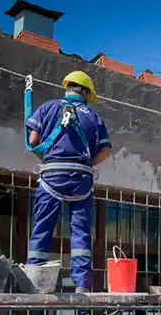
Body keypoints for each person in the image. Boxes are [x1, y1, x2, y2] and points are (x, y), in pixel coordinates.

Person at [25, 71, 112, 293]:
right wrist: (88, 163)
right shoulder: (93, 117)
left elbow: (33, 140)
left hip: (52, 174)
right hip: (81, 177)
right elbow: (105, 151)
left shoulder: (48, 107)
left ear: (68, 88)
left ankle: (35, 279)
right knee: (81, 230)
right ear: (85, 92)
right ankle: (82, 285)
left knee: (43, 225)